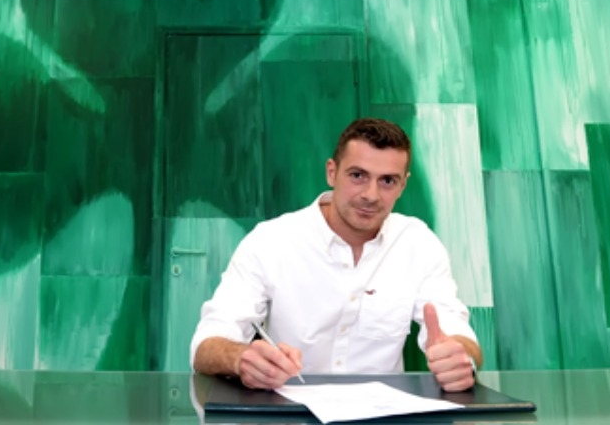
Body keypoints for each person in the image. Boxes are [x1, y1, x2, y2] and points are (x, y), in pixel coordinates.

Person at [189, 117, 482, 392]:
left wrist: (460, 359)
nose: (371, 195)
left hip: (382, 416)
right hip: (290, 412)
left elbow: (458, 334)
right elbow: (207, 343)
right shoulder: (271, 240)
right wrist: (241, 358)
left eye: (387, 181)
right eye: (358, 175)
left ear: (403, 185)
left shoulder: (418, 243)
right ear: (332, 172)